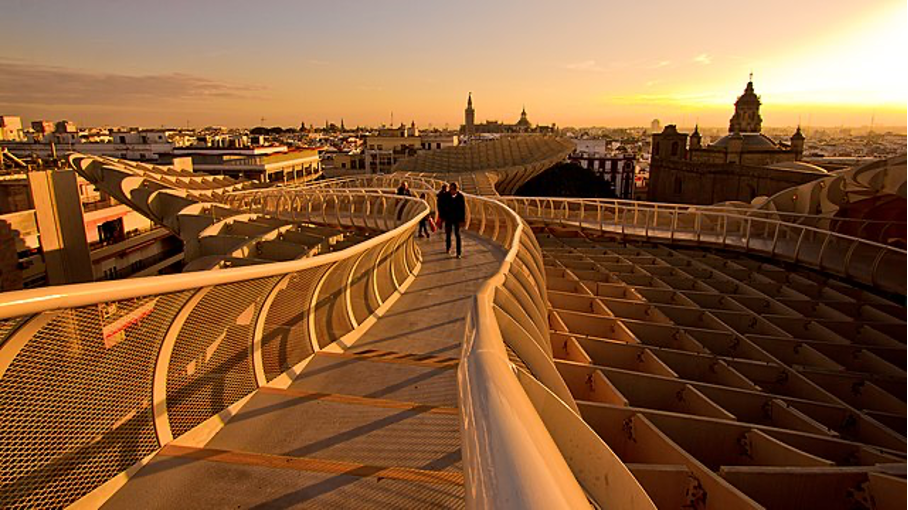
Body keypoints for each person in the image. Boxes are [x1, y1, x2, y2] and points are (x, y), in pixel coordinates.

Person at [445, 182, 466, 258]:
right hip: (449, 218)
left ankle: (459, 253)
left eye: (453, 189)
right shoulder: (447, 196)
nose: (452, 191)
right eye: (451, 189)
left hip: (457, 219)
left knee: (457, 234)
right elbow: (444, 207)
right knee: (448, 233)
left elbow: (463, 209)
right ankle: (448, 247)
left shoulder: (460, 197)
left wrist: (462, 220)